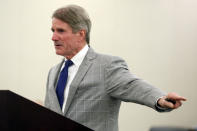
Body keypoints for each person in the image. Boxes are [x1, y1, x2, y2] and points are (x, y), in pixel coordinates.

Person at [44, 4, 186, 131]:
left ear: (81, 34)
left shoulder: (106, 66)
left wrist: (160, 99)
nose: (53, 37)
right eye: (53, 30)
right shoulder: (53, 72)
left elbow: (133, 85)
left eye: (61, 31)